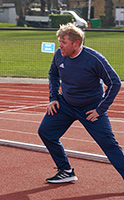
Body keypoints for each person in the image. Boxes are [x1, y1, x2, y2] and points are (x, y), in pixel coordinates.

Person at [38, 23, 124, 183]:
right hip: (66, 104)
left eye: (63, 42)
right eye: (59, 41)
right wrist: (53, 98)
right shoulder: (59, 54)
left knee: (109, 145)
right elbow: (53, 74)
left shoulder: (94, 59)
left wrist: (100, 109)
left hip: (91, 108)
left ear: (76, 43)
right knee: (46, 132)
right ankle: (65, 170)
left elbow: (115, 83)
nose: (60, 45)